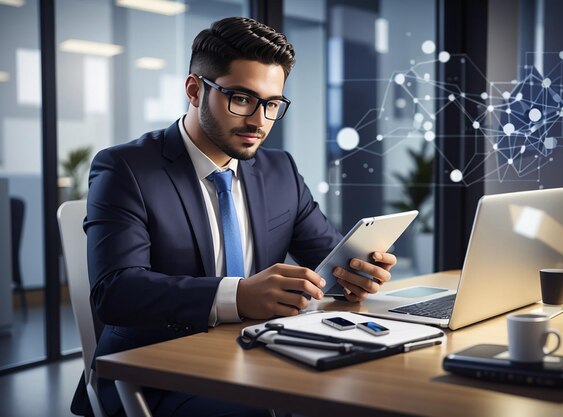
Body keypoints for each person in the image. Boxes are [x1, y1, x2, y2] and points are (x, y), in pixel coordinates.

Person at [71, 16, 397, 417]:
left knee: (374, 390)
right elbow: (115, 292)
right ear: (194, 90)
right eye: (241, 98)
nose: (259, 120)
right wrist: (238, 295)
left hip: (261, 355)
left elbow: (328, 257)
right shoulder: (126, 168)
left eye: (272, 103)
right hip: (154, 375)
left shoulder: (280, 170)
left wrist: (357, 273)